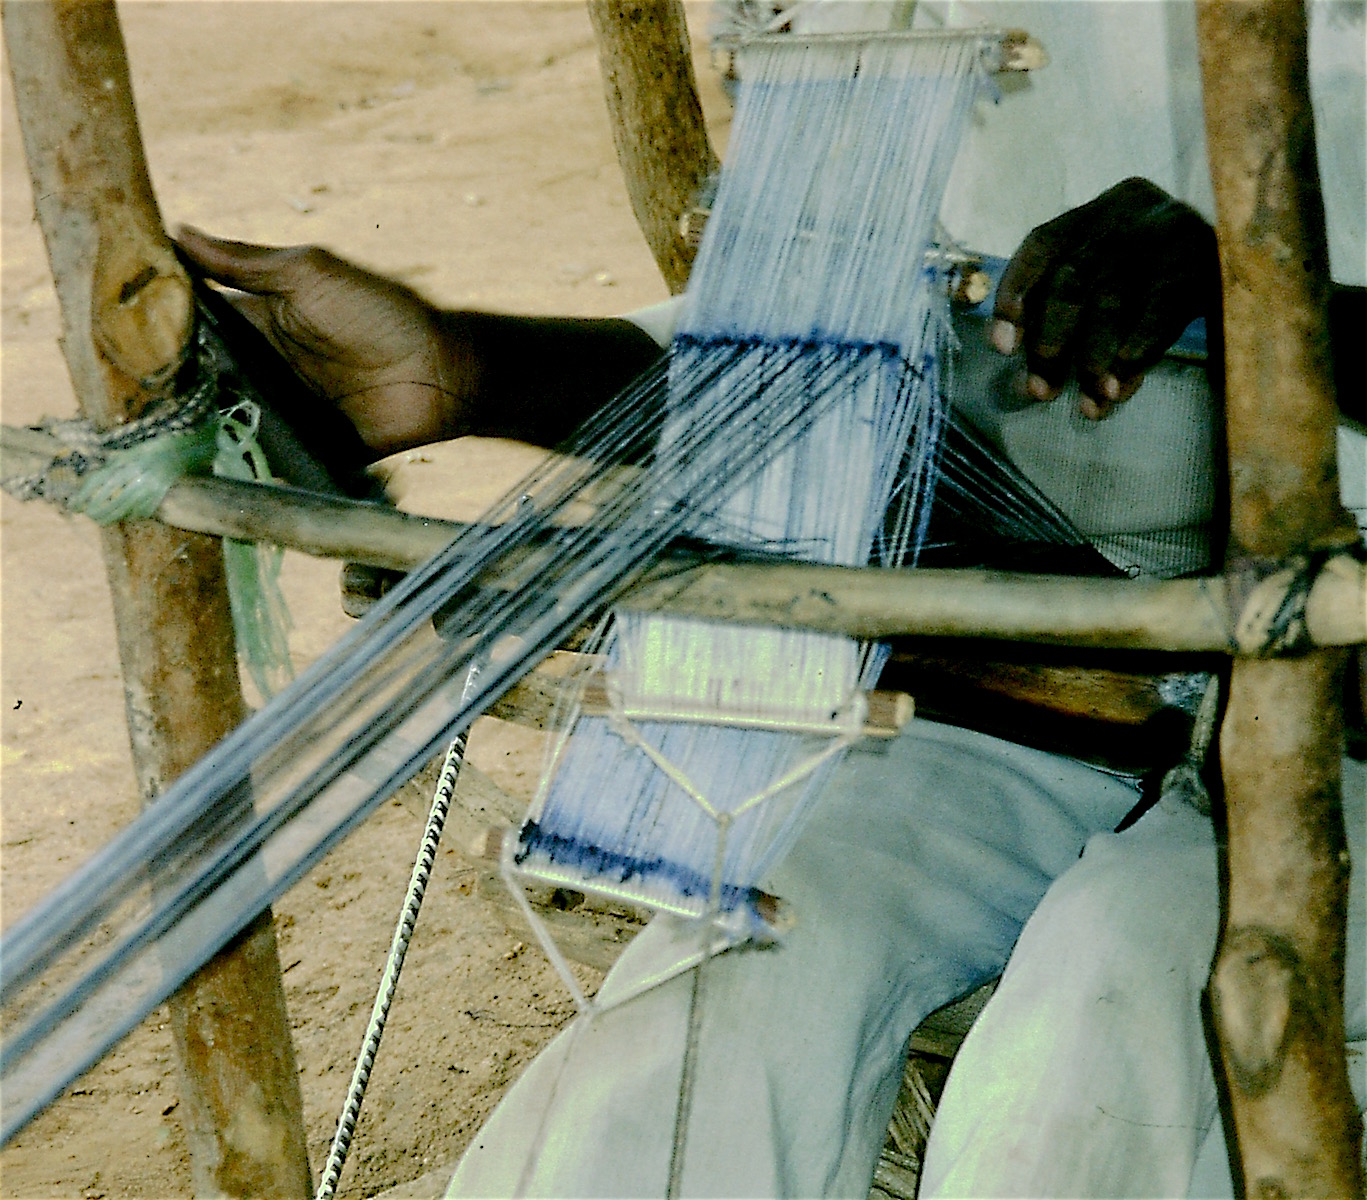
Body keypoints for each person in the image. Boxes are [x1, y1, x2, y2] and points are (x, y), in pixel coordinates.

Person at [177, 2, 1366, 1194]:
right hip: (1037, 698)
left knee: (1120, 982)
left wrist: (1279, 301)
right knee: (729, 994)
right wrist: (465, 367)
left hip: (1345, 729)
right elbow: (846, 361)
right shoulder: (918, 20)